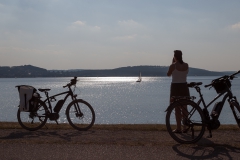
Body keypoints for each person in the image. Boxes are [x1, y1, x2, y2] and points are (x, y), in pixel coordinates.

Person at [167, 50, 189, 133]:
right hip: (184, 86)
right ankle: (185, 126)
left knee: (177, 108)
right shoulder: (186, 65)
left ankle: (178, 127)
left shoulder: (173, 66)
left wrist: (173, 63)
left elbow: (168, 74)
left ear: (175, 56)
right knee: (185, 108)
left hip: (175, 87)